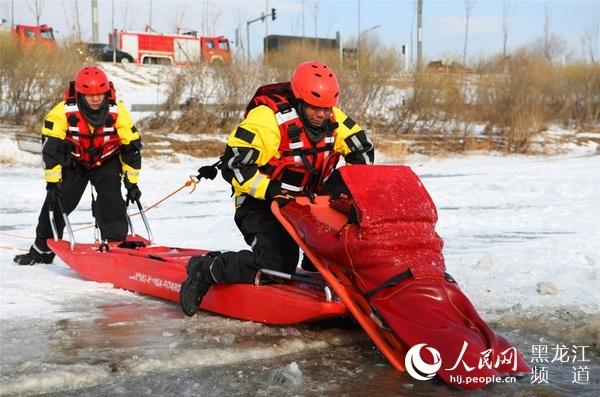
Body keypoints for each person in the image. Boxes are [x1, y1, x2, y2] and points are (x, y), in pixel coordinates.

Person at [278, 165, 530, 388]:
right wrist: (342, 203)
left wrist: (293, 209)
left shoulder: (360, 242)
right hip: (444, 286)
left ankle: (473, 380)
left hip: (404, 294)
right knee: (473, 326)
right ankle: (510, 365)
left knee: (447, 337)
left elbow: (317, 237)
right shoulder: (425, 231)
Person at [180, 60, 375, 316]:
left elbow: (363, 150)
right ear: (299, 99)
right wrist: (270, 189)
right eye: (315, 108)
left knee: (347, 249)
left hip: (306, 204)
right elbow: (235, 168)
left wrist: (347, 188)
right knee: (277, 267)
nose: (321, 115)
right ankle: (205, 269)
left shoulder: (334, 120)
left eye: (327, 108)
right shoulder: (266, 120)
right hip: (259, 201)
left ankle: (316, 258)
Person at [14, 65, 142, 266]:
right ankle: (41, 251)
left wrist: (132, 183)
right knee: (56, 203)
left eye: (100, 93)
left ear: (106, 91)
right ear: (80, 93)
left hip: (106, 161)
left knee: (112, 200)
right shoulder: (61, 112)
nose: (96, 98)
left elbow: (131, 148)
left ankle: (116, 247)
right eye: (90, 94)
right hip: (75, 162)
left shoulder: (118, 111)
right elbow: (51, 151)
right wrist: (53, 184)